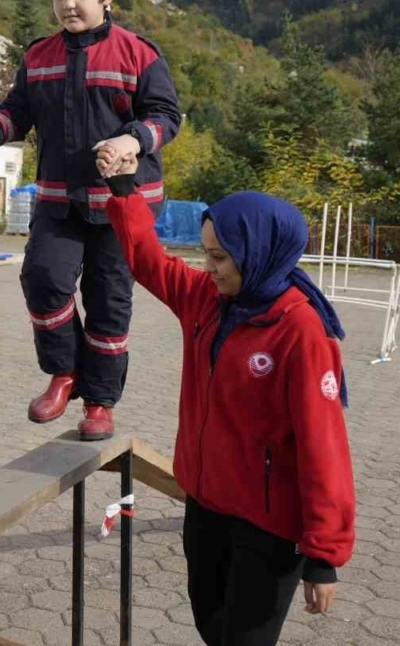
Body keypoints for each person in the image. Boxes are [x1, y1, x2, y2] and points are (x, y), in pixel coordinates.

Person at [98, 147, 356, 646]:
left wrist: (323, 556)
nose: (208, 267)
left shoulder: (300, 330)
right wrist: (125, 189)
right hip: (206, 507)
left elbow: (324, 448)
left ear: (258, 253)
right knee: (211, 628)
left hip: (268, 526)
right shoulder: (208, 299)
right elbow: (148, 260)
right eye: (205, 253)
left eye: (219, 256)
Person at [0, 0, 182, 440]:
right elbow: (16, 112)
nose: (67, 4)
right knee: (42, 279)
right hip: (59, 202)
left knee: (108, 300)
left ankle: (99, 402)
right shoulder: (39, 57)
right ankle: (65, 372)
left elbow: (166, 116)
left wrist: (133, 141)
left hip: (122, 206)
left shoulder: (138, 55)